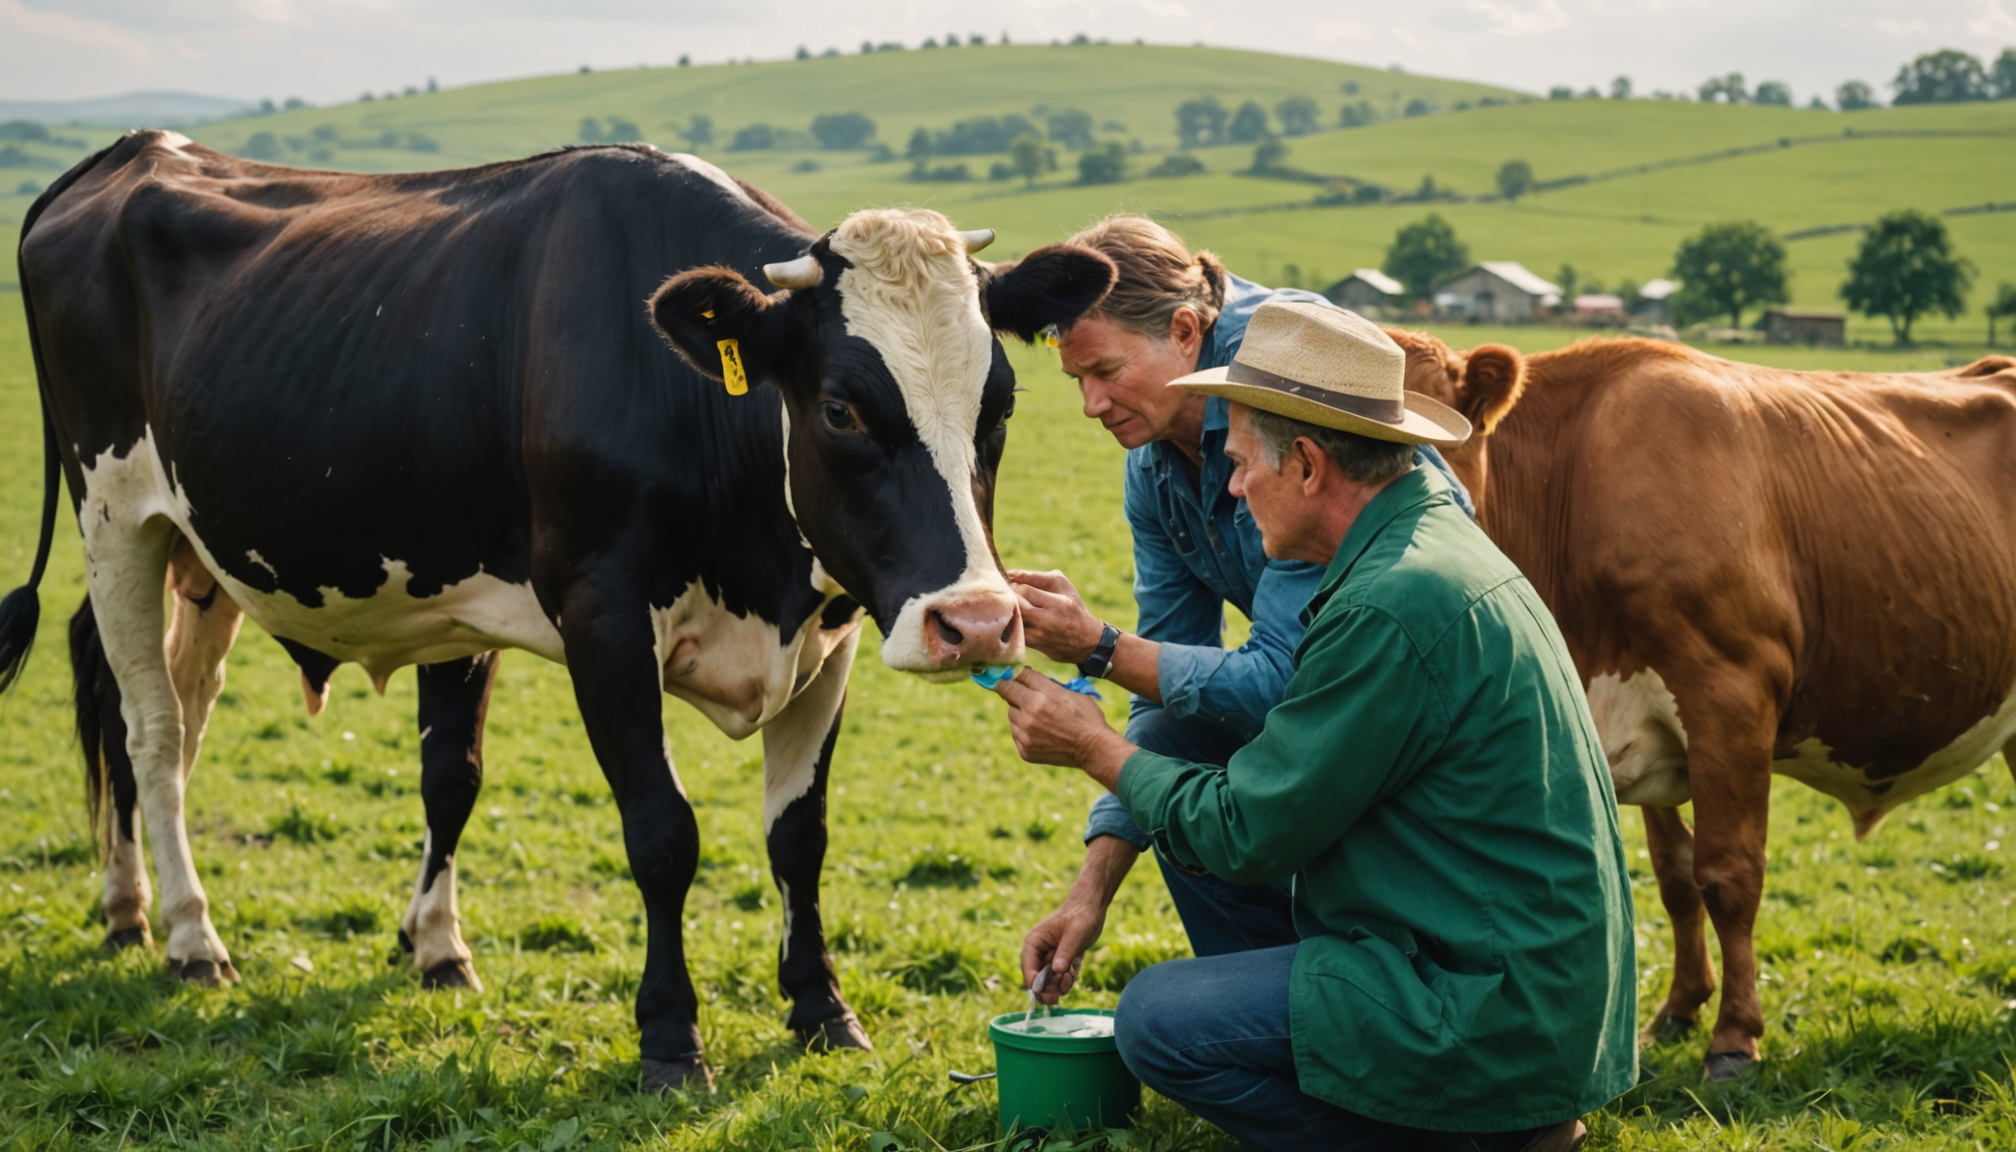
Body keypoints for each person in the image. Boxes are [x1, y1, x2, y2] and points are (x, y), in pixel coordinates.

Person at [992, 303, 1635, 1151]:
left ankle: (1466, 1137)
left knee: (1155, 1021)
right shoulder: (1423, 543)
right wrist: (1094, 877)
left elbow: (1246, 833)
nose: (1231, 488)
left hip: (1486, 1005)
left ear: (1305, 464)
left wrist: (1093, 746)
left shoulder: (1386, 606)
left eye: (1239, 462)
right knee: (1184, 751)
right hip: (1506, 970)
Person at [1010, 215, 1474, 982]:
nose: (1091, 404)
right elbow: (1167, 688)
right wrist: (1089, 895)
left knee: (1160, 1015)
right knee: (1181, 735)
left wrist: (1099, 648)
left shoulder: (1284, 396)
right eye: (1075, 381)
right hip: (1333, 706)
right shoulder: (1155, 463)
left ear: (1184, 330)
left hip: (1407, 733)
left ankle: (1351, 1000)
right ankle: (1278, 1003)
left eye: (1106, 371)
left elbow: (1290, 677)